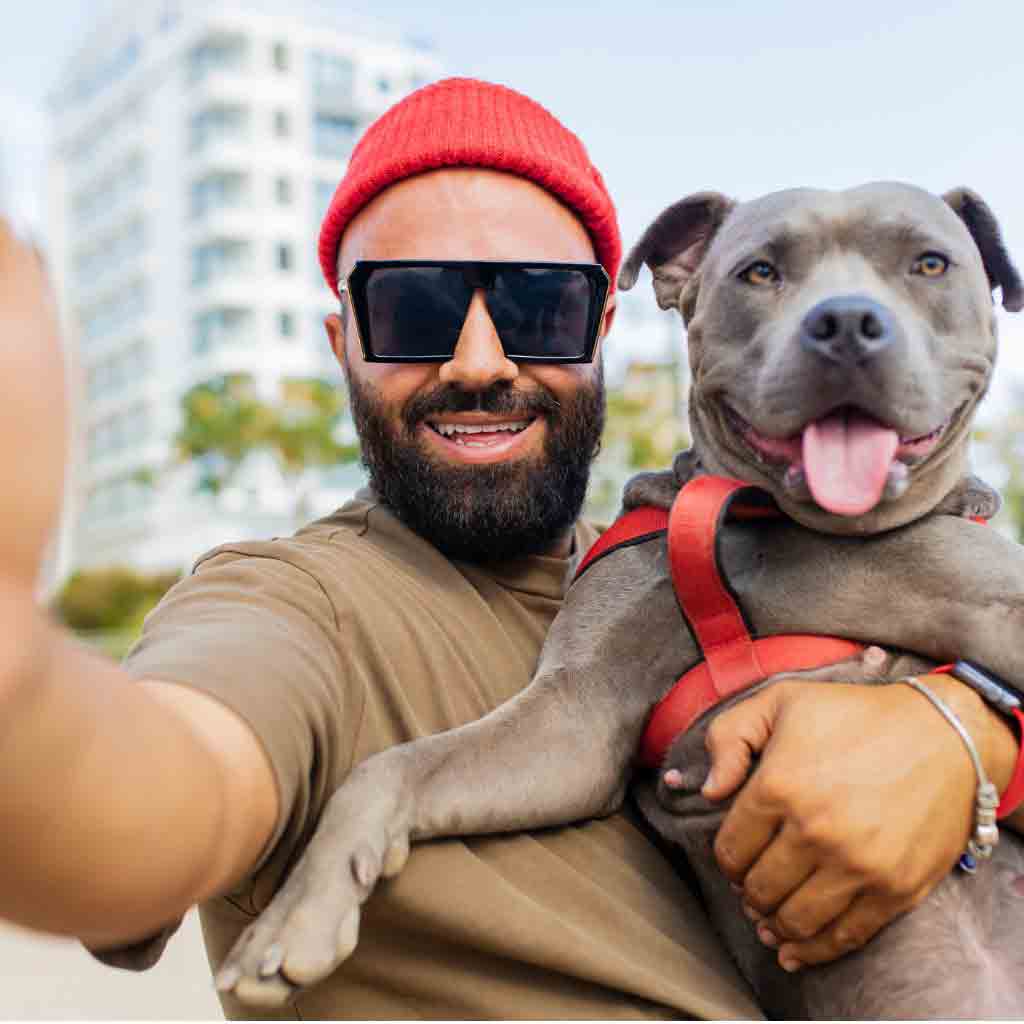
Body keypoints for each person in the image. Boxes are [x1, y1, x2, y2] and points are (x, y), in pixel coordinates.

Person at [0, 77, 1020, 1020]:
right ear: (340, 342)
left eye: (538, 305)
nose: (478, 358)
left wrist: (967, 739)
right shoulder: (298, 601)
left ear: (605, 323)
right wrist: (21, 679)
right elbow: (152, 794)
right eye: (412, 308)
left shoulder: (661, 548)